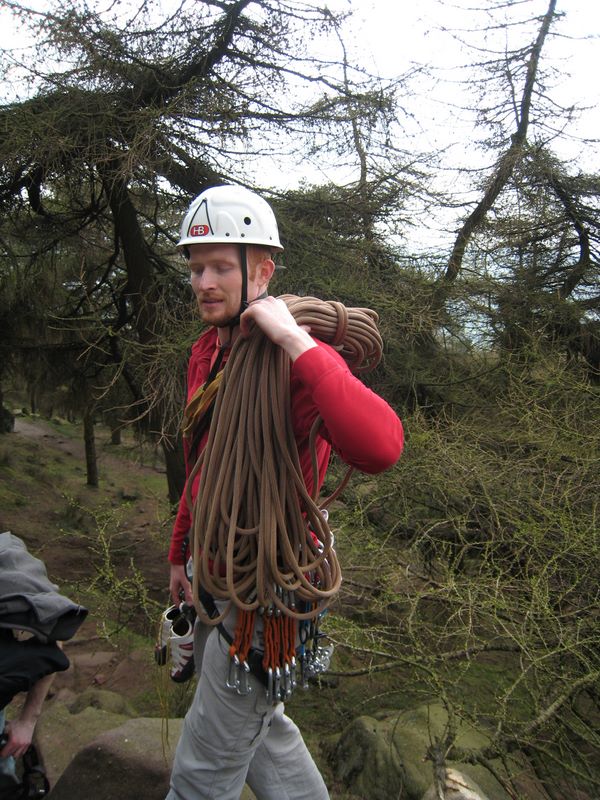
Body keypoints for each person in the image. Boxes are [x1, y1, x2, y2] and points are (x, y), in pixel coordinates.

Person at [166, 185, 404, 800]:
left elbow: (380, 447)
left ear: (264, 271)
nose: (204, 283)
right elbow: (205, 467)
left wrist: (296, 340)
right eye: (196, 268)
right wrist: (179, 553)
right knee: (264, 731)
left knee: (201, 770)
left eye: (222, 267)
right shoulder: (208, 352)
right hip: (215, 570)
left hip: (264, 592)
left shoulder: (294, 364)